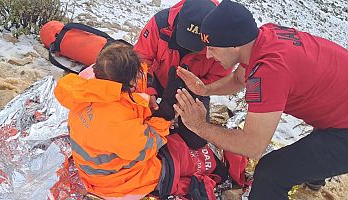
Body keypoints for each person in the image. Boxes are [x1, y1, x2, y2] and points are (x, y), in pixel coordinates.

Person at [173, 0, 348, 199]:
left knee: (271, 173)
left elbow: (253, 146)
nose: (208, 55)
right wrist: (205, 90)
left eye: (213, 48)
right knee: (310, 151)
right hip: (338, 103)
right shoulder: (263, 37)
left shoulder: (270, 72)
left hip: (343, 130)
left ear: (235, 45)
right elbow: (240, 78)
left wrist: (199, 126)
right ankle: (314, 177)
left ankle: (313, 172)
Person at [54, 41, 239, 199]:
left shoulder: (86, 89)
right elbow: (147, 146)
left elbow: (123, 113)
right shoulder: (115, 120)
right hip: (116, 182)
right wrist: (166, 112)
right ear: (128, 82)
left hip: (99, 166)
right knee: (180, 163)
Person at [134, 0, 233, 149]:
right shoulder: (160, 23)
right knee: (140, 120)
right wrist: (148, 90)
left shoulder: (222, 41)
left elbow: (220, 78)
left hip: (196, 87)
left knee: (196, 141)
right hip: (157, 78)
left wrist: (195, 91)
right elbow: (141, 59)